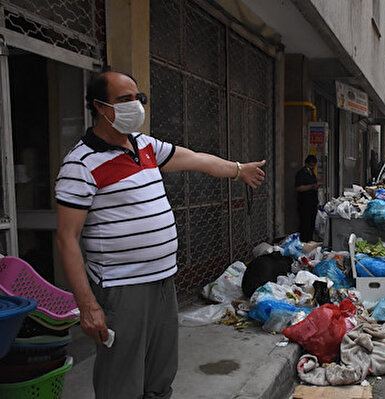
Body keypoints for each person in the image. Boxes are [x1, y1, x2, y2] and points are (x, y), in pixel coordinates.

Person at [55, 71, 266, 399]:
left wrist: (239, 170)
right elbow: (67, 239)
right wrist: (88, 306)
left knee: (161, 373)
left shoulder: (146, 146)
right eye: (124, 99)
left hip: (162, 282)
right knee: (121, 378)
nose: (136, 106)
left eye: (138, 98)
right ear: (99, 106)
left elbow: (196, 160)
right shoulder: (80, 164)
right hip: (121, 288)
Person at [295, 155, 319, 241]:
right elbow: (298, 188)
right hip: (304, 204)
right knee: (305, 224)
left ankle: (309, 240)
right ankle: (303, 241)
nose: (312, 167)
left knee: (311, 224)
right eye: (311, 165)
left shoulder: (312, 173)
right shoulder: (301, 173)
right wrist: (311, 186)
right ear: (306, 164)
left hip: (312, 203)